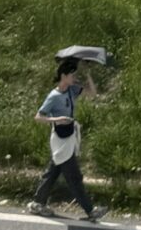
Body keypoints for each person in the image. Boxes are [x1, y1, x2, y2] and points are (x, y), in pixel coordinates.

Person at [30, 55, 101, 221]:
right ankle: (90, 211)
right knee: (74, 176)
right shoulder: (53, 97)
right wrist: (57, 119)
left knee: (53, 172)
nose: (74, 78)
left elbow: (92, 94)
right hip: (60, 138)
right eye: (72, 75)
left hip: (69, 136)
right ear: (63, 76)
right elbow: (38, 117)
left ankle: (37, 203)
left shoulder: (72, 90)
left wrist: (88, 73)